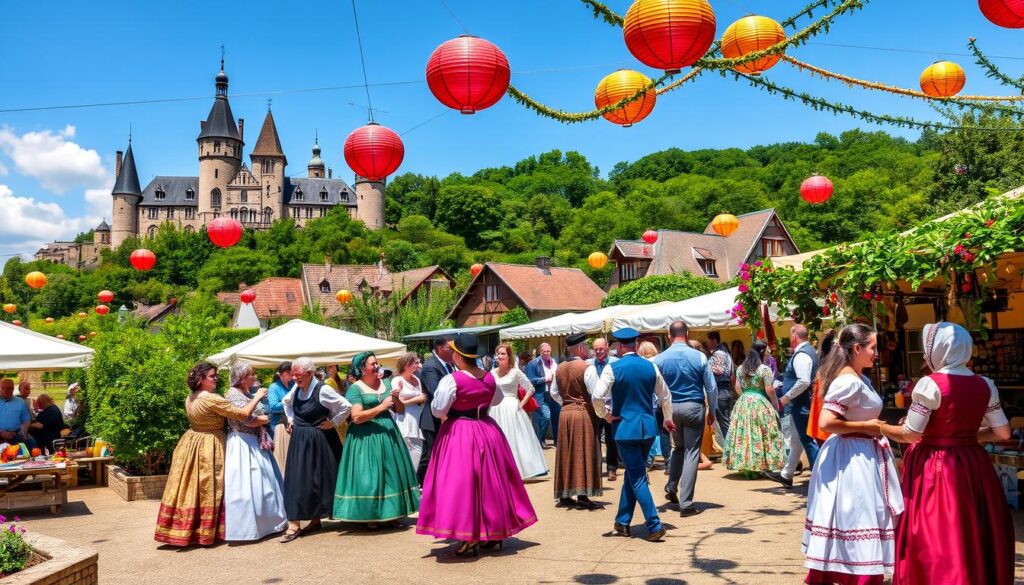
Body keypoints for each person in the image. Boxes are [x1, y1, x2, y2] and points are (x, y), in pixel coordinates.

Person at [879, 322, 1014, 585]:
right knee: (972, 526)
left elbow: (911, 434)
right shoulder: (986, 384)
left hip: (935, 465)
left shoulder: (929, 385)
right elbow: (1003, 433)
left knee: (939, 529)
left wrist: (881, 427)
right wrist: (969, 436)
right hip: (974, 463)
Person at [416, 333, 537, 557]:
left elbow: (438, 409)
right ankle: (494, 534)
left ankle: (469, 534)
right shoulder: (489, 377)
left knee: (461, 484)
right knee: (490, 483)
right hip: (487, 430)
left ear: (459, 356)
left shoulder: (452, 379)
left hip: (459, 432)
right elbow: (497, 399)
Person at [802, 324, 902, 585]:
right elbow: (825, 422)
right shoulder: (848, 381)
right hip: (851, 457)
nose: (876, 353)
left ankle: (858, 571)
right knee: (857, 515)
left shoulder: (859, 378)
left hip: (861, 453)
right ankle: (858, 574)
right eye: (872, 347)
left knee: (860, 515)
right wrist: (867, 427)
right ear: (857, 349)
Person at [154, 362, 268, 546]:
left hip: (191, 440)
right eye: (212, 376)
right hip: (210, 442)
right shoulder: (211, 398)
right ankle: (205, 531)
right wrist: (259, 397)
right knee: (209, 485)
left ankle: (184, 529)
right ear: (200, 379)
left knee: (189, 486)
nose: (216, 378)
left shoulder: (190, 397)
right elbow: (243, 414)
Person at [592, 328, 675, 541]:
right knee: (632, 473)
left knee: (637, 476)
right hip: (647, 428)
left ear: (619, 346)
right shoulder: (651, 366)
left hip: (625, 429)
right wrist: (667, 418)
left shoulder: (613, 368)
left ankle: (654, 524)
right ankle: (622, 522)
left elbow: (597, 395)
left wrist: (606, 415)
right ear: (636, 344)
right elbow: (665, 395)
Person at [334, 352, 420, 527]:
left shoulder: (386, 383)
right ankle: (370, 515)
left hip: (388, 433)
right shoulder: (355, 389)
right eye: (372, 364)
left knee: (391, 474)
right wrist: (381, 406)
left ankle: (393, 513)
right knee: (369, 476)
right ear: (362, 369)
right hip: (365, 436)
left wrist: (396, 398)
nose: (377, 366)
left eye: (377, 363)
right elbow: (356, 417)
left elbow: (400, 410)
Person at [279, 357, 351, 542]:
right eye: (293, 374)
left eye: (298, 375)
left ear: (310, 373)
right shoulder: (297, 388)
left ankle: (315, 518)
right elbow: (286, 403)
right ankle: (294, 522)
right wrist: (291, 421)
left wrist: (334, 422)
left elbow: (346, 406)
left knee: (318, 479)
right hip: (300, 439)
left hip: (320, 438)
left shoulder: (323, 389)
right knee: (296, 479)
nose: (295, 378)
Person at [654, 321, 717, 515]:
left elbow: (655, 390)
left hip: (671, 408)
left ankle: (672, 486)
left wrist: (661, 411)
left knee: (679, 448)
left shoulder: (659, 359)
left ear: (669, 335)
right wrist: (712, 411)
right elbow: (711, 387)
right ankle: (686, 502)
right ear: (687, 334)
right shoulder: (699, 357)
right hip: (693, 406)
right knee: (691, 452)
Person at [223, 363, 287, 542]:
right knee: (247, 485)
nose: (254, 377)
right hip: (242, 442)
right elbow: (245, 418)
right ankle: (247, 529)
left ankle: (270, 523)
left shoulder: (244, 393)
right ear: (242, 377)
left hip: (253, 440)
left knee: (264, 483)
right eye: (251, 374)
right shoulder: (232, 394)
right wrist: (262, 414)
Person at [550, 333, 602, 509]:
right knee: (583, 451)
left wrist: (567, 403)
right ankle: (582, 496)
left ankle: (564, 494)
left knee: (566, 453)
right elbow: (596, 394)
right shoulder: (587, 367)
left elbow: (554, 393)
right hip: (582, 412)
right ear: (580, 348)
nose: (587, 349)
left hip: (565, 412)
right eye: (586, 346)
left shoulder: (559, 368)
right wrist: (600, 411)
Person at [765, 324, 820, 488]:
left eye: (790, 334)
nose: (790, 338)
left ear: (795, 335)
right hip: (801, 403)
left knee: (808, 440)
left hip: (801, 404)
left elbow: (803, 381)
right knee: (797, 440)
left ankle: (821, 476)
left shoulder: (802, 355)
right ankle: (786, 474)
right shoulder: (808, 351)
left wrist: (785, 398)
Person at [722, 341, 784, 479]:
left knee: (744, 434)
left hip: (744, 401)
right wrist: (775, 404)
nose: (769, 353)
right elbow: (769, 389)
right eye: (767, 350)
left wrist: (746, 396)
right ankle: (758, 464)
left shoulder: (741, 369)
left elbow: (737, 387)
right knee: (759, 433)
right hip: (759, 402)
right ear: (762, 352)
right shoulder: (764, 369)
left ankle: (745, 464)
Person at [490, 343, 548, 479]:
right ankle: (499, 470)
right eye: (498, 353)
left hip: (512, 408)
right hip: (495, 409)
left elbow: (530, 388)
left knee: (515, 439)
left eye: (503, 353)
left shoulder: (515, 372)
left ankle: (516, 469)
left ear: (509, 356)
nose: (500, 356)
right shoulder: (492, 373)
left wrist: (521, 404)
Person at [417, 335, 455, 485]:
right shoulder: (430, 366)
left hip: (444, 416)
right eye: (449, 348)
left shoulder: (449, 365)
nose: (453, 351)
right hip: (431, 419)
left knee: (441, 453)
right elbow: (436, 391)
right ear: (439, 349)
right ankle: (420, 483)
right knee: (430, 453)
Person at [587, 338, 619, 481]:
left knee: (611, 438)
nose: (599, 352)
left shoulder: (615, 362)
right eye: (596, 349)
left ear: (607, 347)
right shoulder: (589, 364)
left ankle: (612, 468)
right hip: (595, 406)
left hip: (611, 405)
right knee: (595, 438)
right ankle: (597, 468)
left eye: (601, 348)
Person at [637, 342, 670, 470]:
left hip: (647, 402)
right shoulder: (660, 361)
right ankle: (668, 462)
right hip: (660, 401)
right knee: (664, 432)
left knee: (648, 432)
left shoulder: (641, 364)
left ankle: (648, 460)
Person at [391, 352, 426, 469]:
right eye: (415, 363)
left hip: (417, 418)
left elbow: (421, 399)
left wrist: (420, 399)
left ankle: (413, 480)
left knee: (417, 451)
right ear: (406, 365)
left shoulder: (416, 379)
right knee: (406, 452)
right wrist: (416, 398)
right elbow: (397, 404)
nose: (418, 365)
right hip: (403, 418)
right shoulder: (397, 380)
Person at [525, 343, 559, 447]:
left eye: (548, 351)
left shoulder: (554, 362)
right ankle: (540, 439)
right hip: (541, 394)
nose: (547, 353)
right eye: (544, 352)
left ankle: (557, 441)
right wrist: (544, 379)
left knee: (556, 417)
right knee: (545, 417)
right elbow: (529, 380)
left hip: (554, 393)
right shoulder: (533, 364)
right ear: (540, 352)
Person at [705, 332, 734, 438]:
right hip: (724, 389)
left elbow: (720, 370)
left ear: (715, 340)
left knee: (724, 420)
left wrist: (706, 368)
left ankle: (731, 446)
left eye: (708, 341)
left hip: (721, 389)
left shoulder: (719, 353)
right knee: (724, 419)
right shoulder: (723, 352)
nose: (707, 343)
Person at [266, 361, 294, 475]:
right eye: (288, 372)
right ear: (281, 373)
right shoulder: (274, 387)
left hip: (292, 424)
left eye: (292, 372)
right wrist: (289, 404)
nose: (291, 375)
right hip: (278, 425)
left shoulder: (293, 385)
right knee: (282, 456)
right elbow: (273, 407)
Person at [0, 379, 31, 448]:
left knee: (31, 444)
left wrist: (24, 430)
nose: (6, 390)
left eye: (9, 388)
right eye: (3, 388)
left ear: (13, 389)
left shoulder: (21, 402)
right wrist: (1, 433)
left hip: (16, 435)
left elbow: (26, 419)